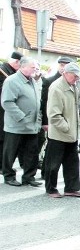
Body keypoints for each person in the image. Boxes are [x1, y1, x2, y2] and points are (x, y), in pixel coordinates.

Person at [43, 62, 80, 198]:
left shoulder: (75, 85)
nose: (77, 79)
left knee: (72, 162)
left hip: (72, 133)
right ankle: (51, 189)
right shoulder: (56, 87)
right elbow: (54, 115)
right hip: (59, 134)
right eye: (74, 76)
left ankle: (71, 188)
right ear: (65, 73)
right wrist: (66, 127)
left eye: (78, 76)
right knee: (53, 164)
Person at [1, 56, 43, 187]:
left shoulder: (33, 81)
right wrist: (21, 117)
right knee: (11, 152)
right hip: (16, 125)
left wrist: (38, 119)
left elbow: (37, 102)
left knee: (31, 152)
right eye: (33, 67)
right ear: (23, 67)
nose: (36, 70)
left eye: (36, 67)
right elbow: (7, 102)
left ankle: (29, 177)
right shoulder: (12, 81)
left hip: (32, 125)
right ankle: (9, 176)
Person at [0, 52, 22, 161]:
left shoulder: (11, 72)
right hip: (2, 110)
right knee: (2, 139)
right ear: (16, 62)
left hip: (6, 111)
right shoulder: (2, 70)